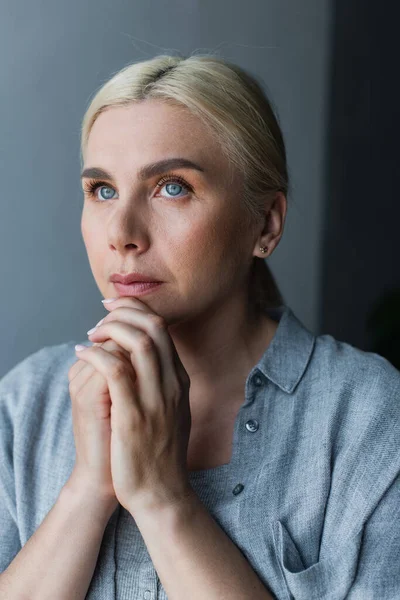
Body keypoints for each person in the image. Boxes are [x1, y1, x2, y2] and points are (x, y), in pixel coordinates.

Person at [0, 53, 399, 600]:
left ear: (266, 223)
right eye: (103, 190)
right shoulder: (25, 405)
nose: (123, 233)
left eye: (172, 187)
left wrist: (164, 500)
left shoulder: (371, 419)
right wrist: (87, 490)